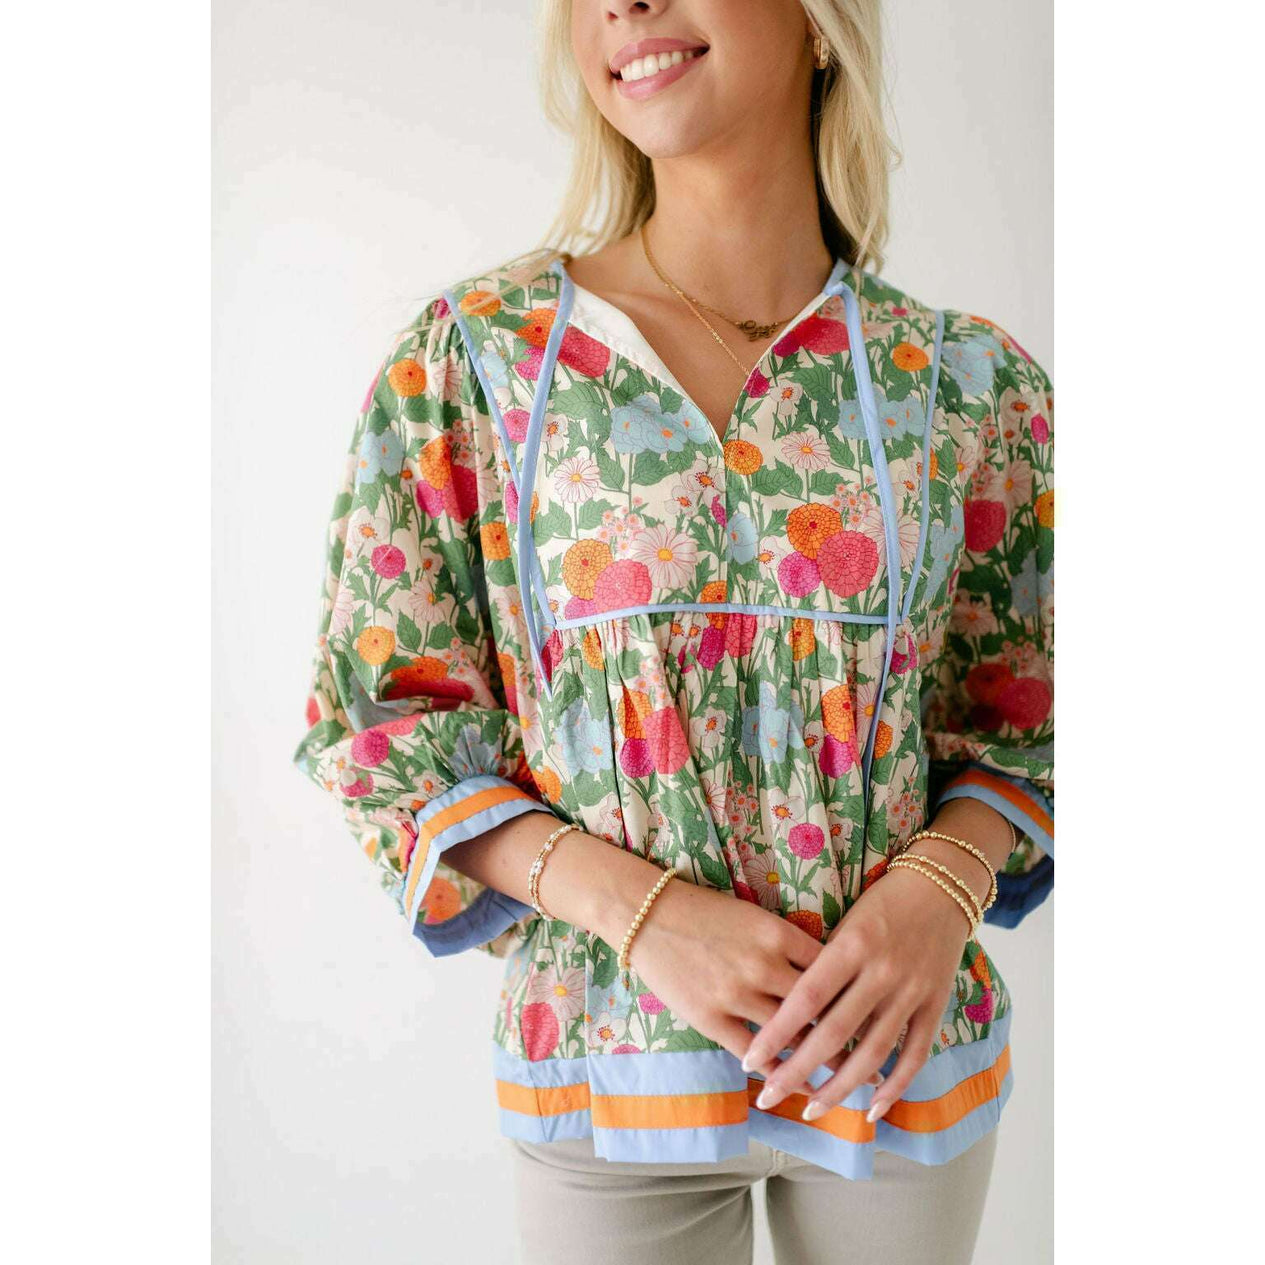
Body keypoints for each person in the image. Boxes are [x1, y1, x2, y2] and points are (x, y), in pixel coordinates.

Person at [293, 1, 1054, 1261]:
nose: (624, 5)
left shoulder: (965, 384)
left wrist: (936, 892)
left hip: (901, 1065)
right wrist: (645, 914)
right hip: (607, 1068)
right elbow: (381, 722)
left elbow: (1034, 702)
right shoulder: (476, 364)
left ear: (819, 24)